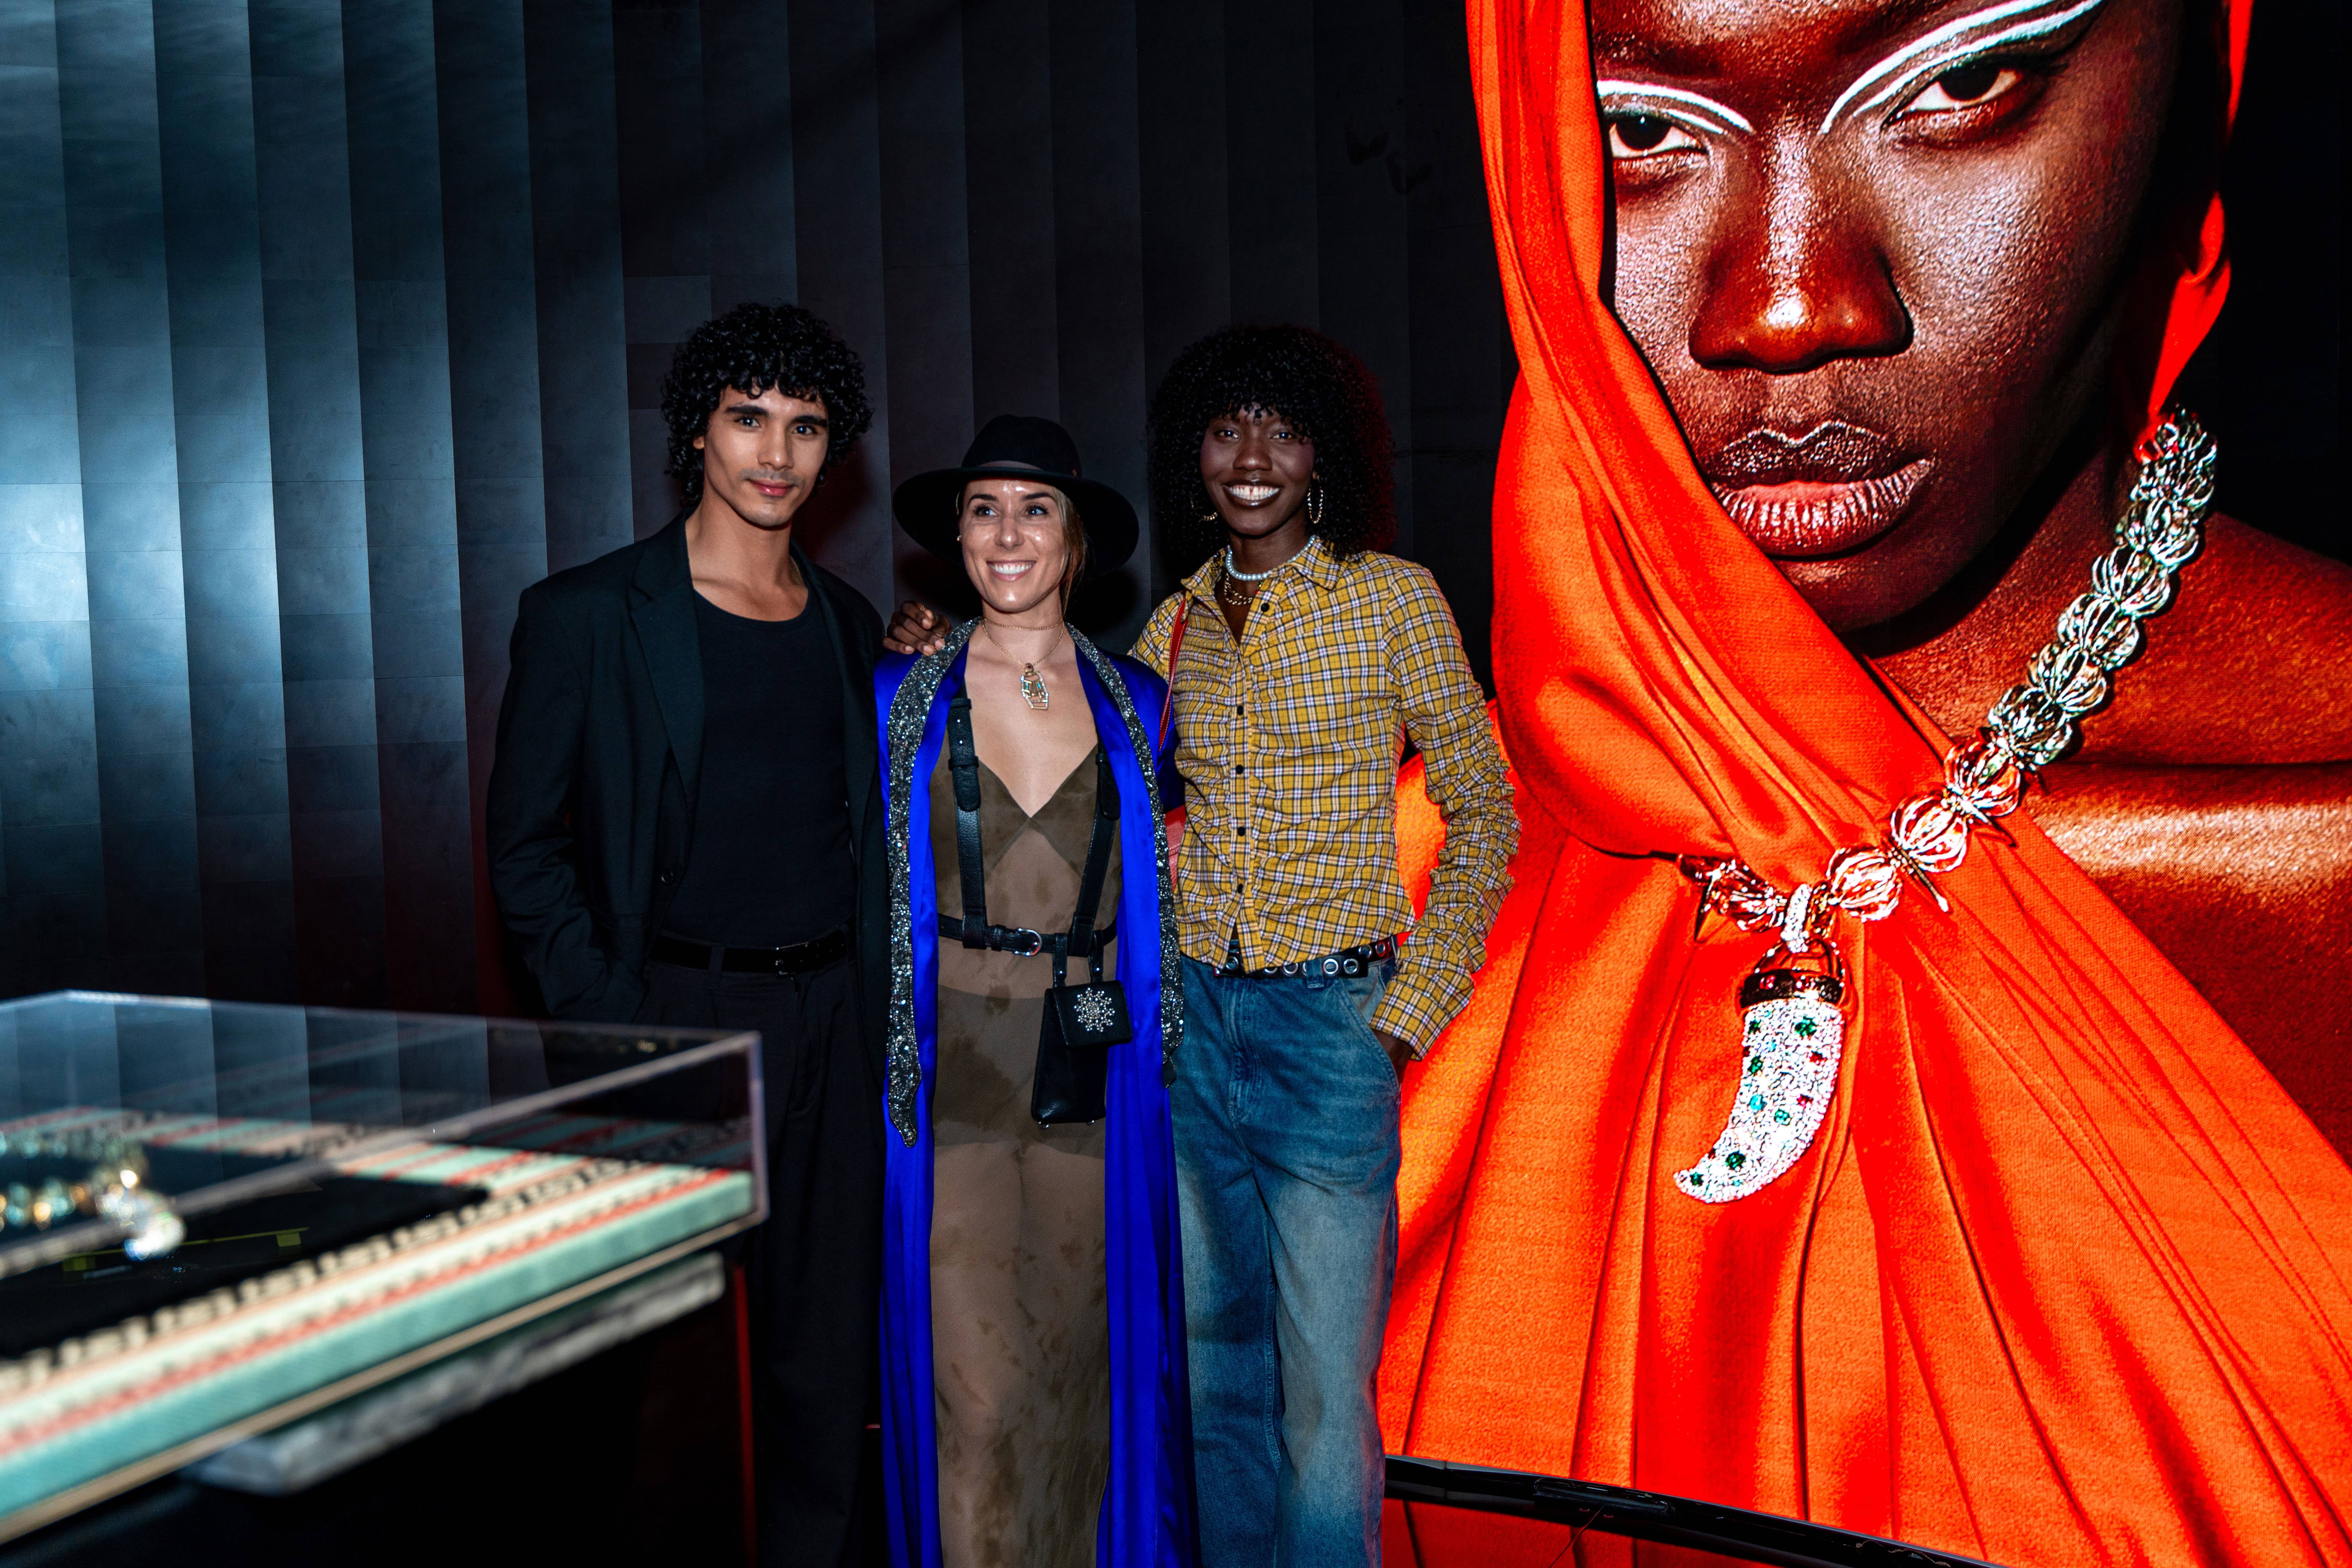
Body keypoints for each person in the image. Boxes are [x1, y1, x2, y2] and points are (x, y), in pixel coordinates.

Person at [1379, 1, 2352, 1564]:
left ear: (2201, 63)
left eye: (1963, 82)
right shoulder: (1369, 902)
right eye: (1634, 129)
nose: (1784, 310)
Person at [896, 331, 1519, 1565]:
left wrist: (1408, 1008)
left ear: (1322, 456)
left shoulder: (1395, 600)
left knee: (1326, 1401)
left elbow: (1488, 811)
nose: (1251, 459)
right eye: (1227, 431)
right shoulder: (1165, 640)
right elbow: (1061, 756)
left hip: (1330, 1033)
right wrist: (936, 648)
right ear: (1195, 456)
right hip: (1185, 1039)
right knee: (1219, 1380)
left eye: (1281, 431)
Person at [486, 301, 888, 1568]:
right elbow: (526, 848)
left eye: (807, 425)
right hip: (669, 1018)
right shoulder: (589, 615)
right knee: (651, 1370)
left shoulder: (850, 625)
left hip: (832, 1019)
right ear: (697, 436)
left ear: (834, 450)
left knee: (823, 1358)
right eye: (748, 417)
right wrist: (612, 1017)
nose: (777, 452)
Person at [873, 416, 1196, 1568]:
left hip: (1091, 1070)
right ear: (956, 538)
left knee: (1076, 1379)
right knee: (978, 1399)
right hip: (953, 1068)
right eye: (982, 509)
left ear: (1075, 544)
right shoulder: (896, 700)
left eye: (1035, 509)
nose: (1007, 533)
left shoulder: (1142, 704)